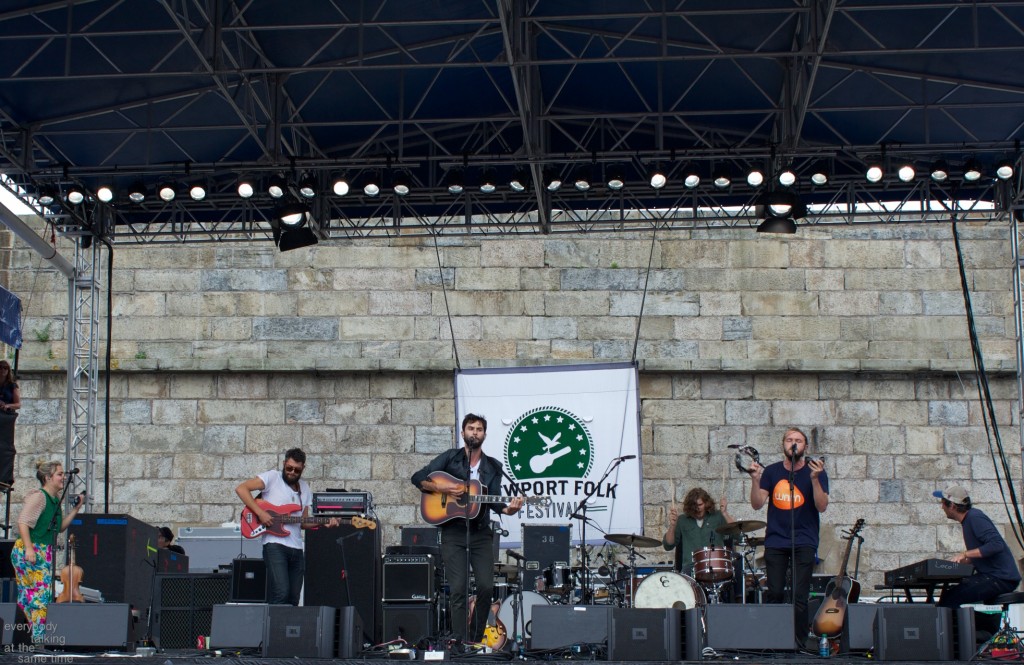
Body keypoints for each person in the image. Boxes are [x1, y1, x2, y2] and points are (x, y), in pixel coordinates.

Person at [411, 414, 523, 645]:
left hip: (480, 532)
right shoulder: (450, 458)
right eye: (471, 428)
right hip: (453, 531)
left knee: (486, 586)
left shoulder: (493, 466)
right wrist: (444, 489)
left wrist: (509, 510)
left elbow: (494, 500)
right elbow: (418, 477)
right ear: (463, 433)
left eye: (479, 429)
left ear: (484, 435)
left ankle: (474, 639)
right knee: (458, 589)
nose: (475, 432)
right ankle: (460, 643)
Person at [747, 427, 829, 645]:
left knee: (799, 595)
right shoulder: (772, 472)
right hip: (776, 539)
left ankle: (799, 642)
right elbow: (757, 504)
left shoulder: (817, 471)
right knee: (775, 592)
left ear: (805, 446)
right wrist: (755, 479)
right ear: (783, 444)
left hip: (804, 539)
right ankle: (775, 640)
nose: (794, 443)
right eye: (789, 439)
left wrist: (814, 479)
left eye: (799, 440)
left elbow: (822, 506)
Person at [235, 448, 338, 605]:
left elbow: (303, 522)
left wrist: (324, 521)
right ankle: (273, 622)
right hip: (275, 545)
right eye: (289, 468)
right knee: (281, 592)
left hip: (296, 547)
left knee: (294, 597)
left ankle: (288, 622)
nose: (292, 472)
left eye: (297, 470)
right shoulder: (272, 478)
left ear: (303, 468)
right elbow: (241, 489)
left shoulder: (304, 488)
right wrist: (260, 513)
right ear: (284, 464)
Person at [11, 460, 85, 643]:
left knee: (31, 596)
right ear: (48, 478)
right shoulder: (40, 497)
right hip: (31, 549)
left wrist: (76, 509)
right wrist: (29, 548)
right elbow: (23, 522)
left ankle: (26, 637)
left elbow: (59, 527)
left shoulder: (54, 501)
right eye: (59, 474)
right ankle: (37, 638)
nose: (63, 477)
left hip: (42, 550)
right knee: (40, 595)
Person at [934, 485, 1020, 607]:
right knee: (949, 595)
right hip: (994, 577)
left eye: (943, 503)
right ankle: (986, 619)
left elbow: (996, 545)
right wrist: (959, 562)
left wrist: (965, 554)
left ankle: (987, 620)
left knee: (951, 598)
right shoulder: (968, 520)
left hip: (1001, 578)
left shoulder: (974, 517)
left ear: (952, 506)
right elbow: (983, 553)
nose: (942, 507)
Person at [662, 487, 733, 574]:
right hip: (691, 567)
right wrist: (672, 525)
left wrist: (725, 513)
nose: (697, 509)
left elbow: (737, 533)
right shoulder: (682, 520)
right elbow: (668, 545)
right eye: (694, 506)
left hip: (716, 565)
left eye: (700, 505)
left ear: (706, 503)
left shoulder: (718, 516)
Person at [0, 360, 21, 488]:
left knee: (5, 447)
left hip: (5, 418)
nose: (2, 370)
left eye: (5, 368)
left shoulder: (12, 385)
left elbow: (18, 404)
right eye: (1, 368)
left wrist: (7, 405)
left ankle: (4, 477)